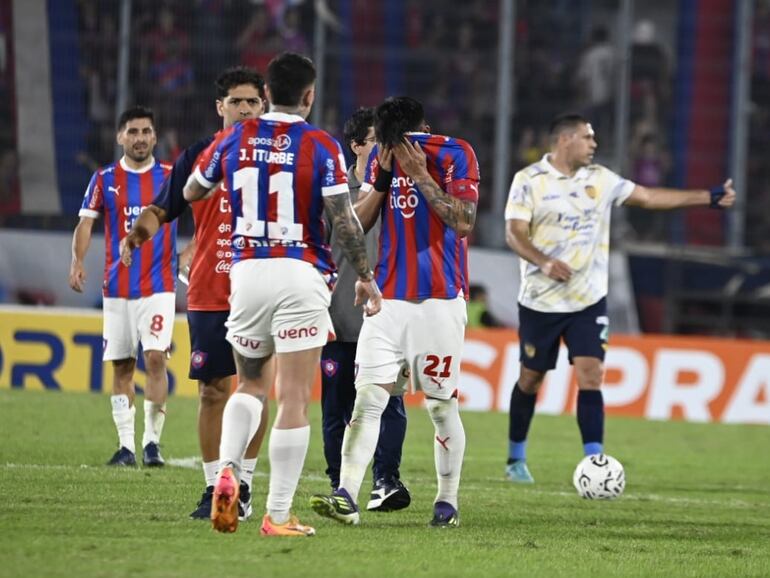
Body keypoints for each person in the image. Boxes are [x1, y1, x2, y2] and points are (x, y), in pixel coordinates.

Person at [183, 52, 381, 536]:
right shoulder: (321, 145)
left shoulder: (234, 137)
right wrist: (365, 275)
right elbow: (344, 220)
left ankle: (227, 471)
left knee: (248, 384)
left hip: (246, 272)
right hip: (299, 272)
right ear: (309, 95)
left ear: (266, 93)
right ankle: (276, 515)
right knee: (292, 395)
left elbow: (192, 190)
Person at [503, 113, 736, 483]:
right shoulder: (529, 181)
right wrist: (544, 262)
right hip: (540, 301)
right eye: (587, 137)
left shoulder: (601, 179)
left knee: (591, 375)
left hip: (588, 300)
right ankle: (516, 458)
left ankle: (595, 463)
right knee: (530, 379)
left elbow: (648, 196)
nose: (594, 144)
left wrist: (707, 197)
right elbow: (514, 233)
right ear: (565, 140)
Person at [310, 96, 480, 528]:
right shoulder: (379, 162)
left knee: (441, 407)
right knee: (368, 398)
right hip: (388, 302)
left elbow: (463, 221)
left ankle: (447, 501)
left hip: (440, 302)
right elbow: (356, 223)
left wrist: (421, 175)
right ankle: (346, 493)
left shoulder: (456, 153)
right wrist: (384, 178)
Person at [120, 67, 270, 520]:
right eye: (236, 102)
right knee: (211, 393)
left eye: (253, 102)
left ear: (264, 105)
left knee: (255, 390)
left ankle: (241, 484)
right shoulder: (200, 156)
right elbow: (163, 207)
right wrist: (136, 236)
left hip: (261, 289)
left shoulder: (275, 155)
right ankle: (213, 490)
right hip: (209, 290)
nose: (245, 109)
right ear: (219, 106)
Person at [69, 106, 176, 468]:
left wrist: (193, 251)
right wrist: (78, 260)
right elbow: (85, 224)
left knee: (156, 358)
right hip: (116, 288)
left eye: (146, 131)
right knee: (121, 367)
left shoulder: (170, 177)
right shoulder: (103, 179)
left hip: (159, 285)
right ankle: (126, 447)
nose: (140, 138)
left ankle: (152, 444)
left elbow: (206, 213)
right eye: (133, 131)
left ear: (155, 137)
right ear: (120, 137)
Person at [321, 107, 410, 511]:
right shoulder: (333, 191)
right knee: (337, 406)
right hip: (341, 316)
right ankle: (342, 484)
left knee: (391, 402)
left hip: (389, 317)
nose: (386, 149)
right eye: (377, 140)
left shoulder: (401, 190)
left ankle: (386, 482)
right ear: (357, 145)